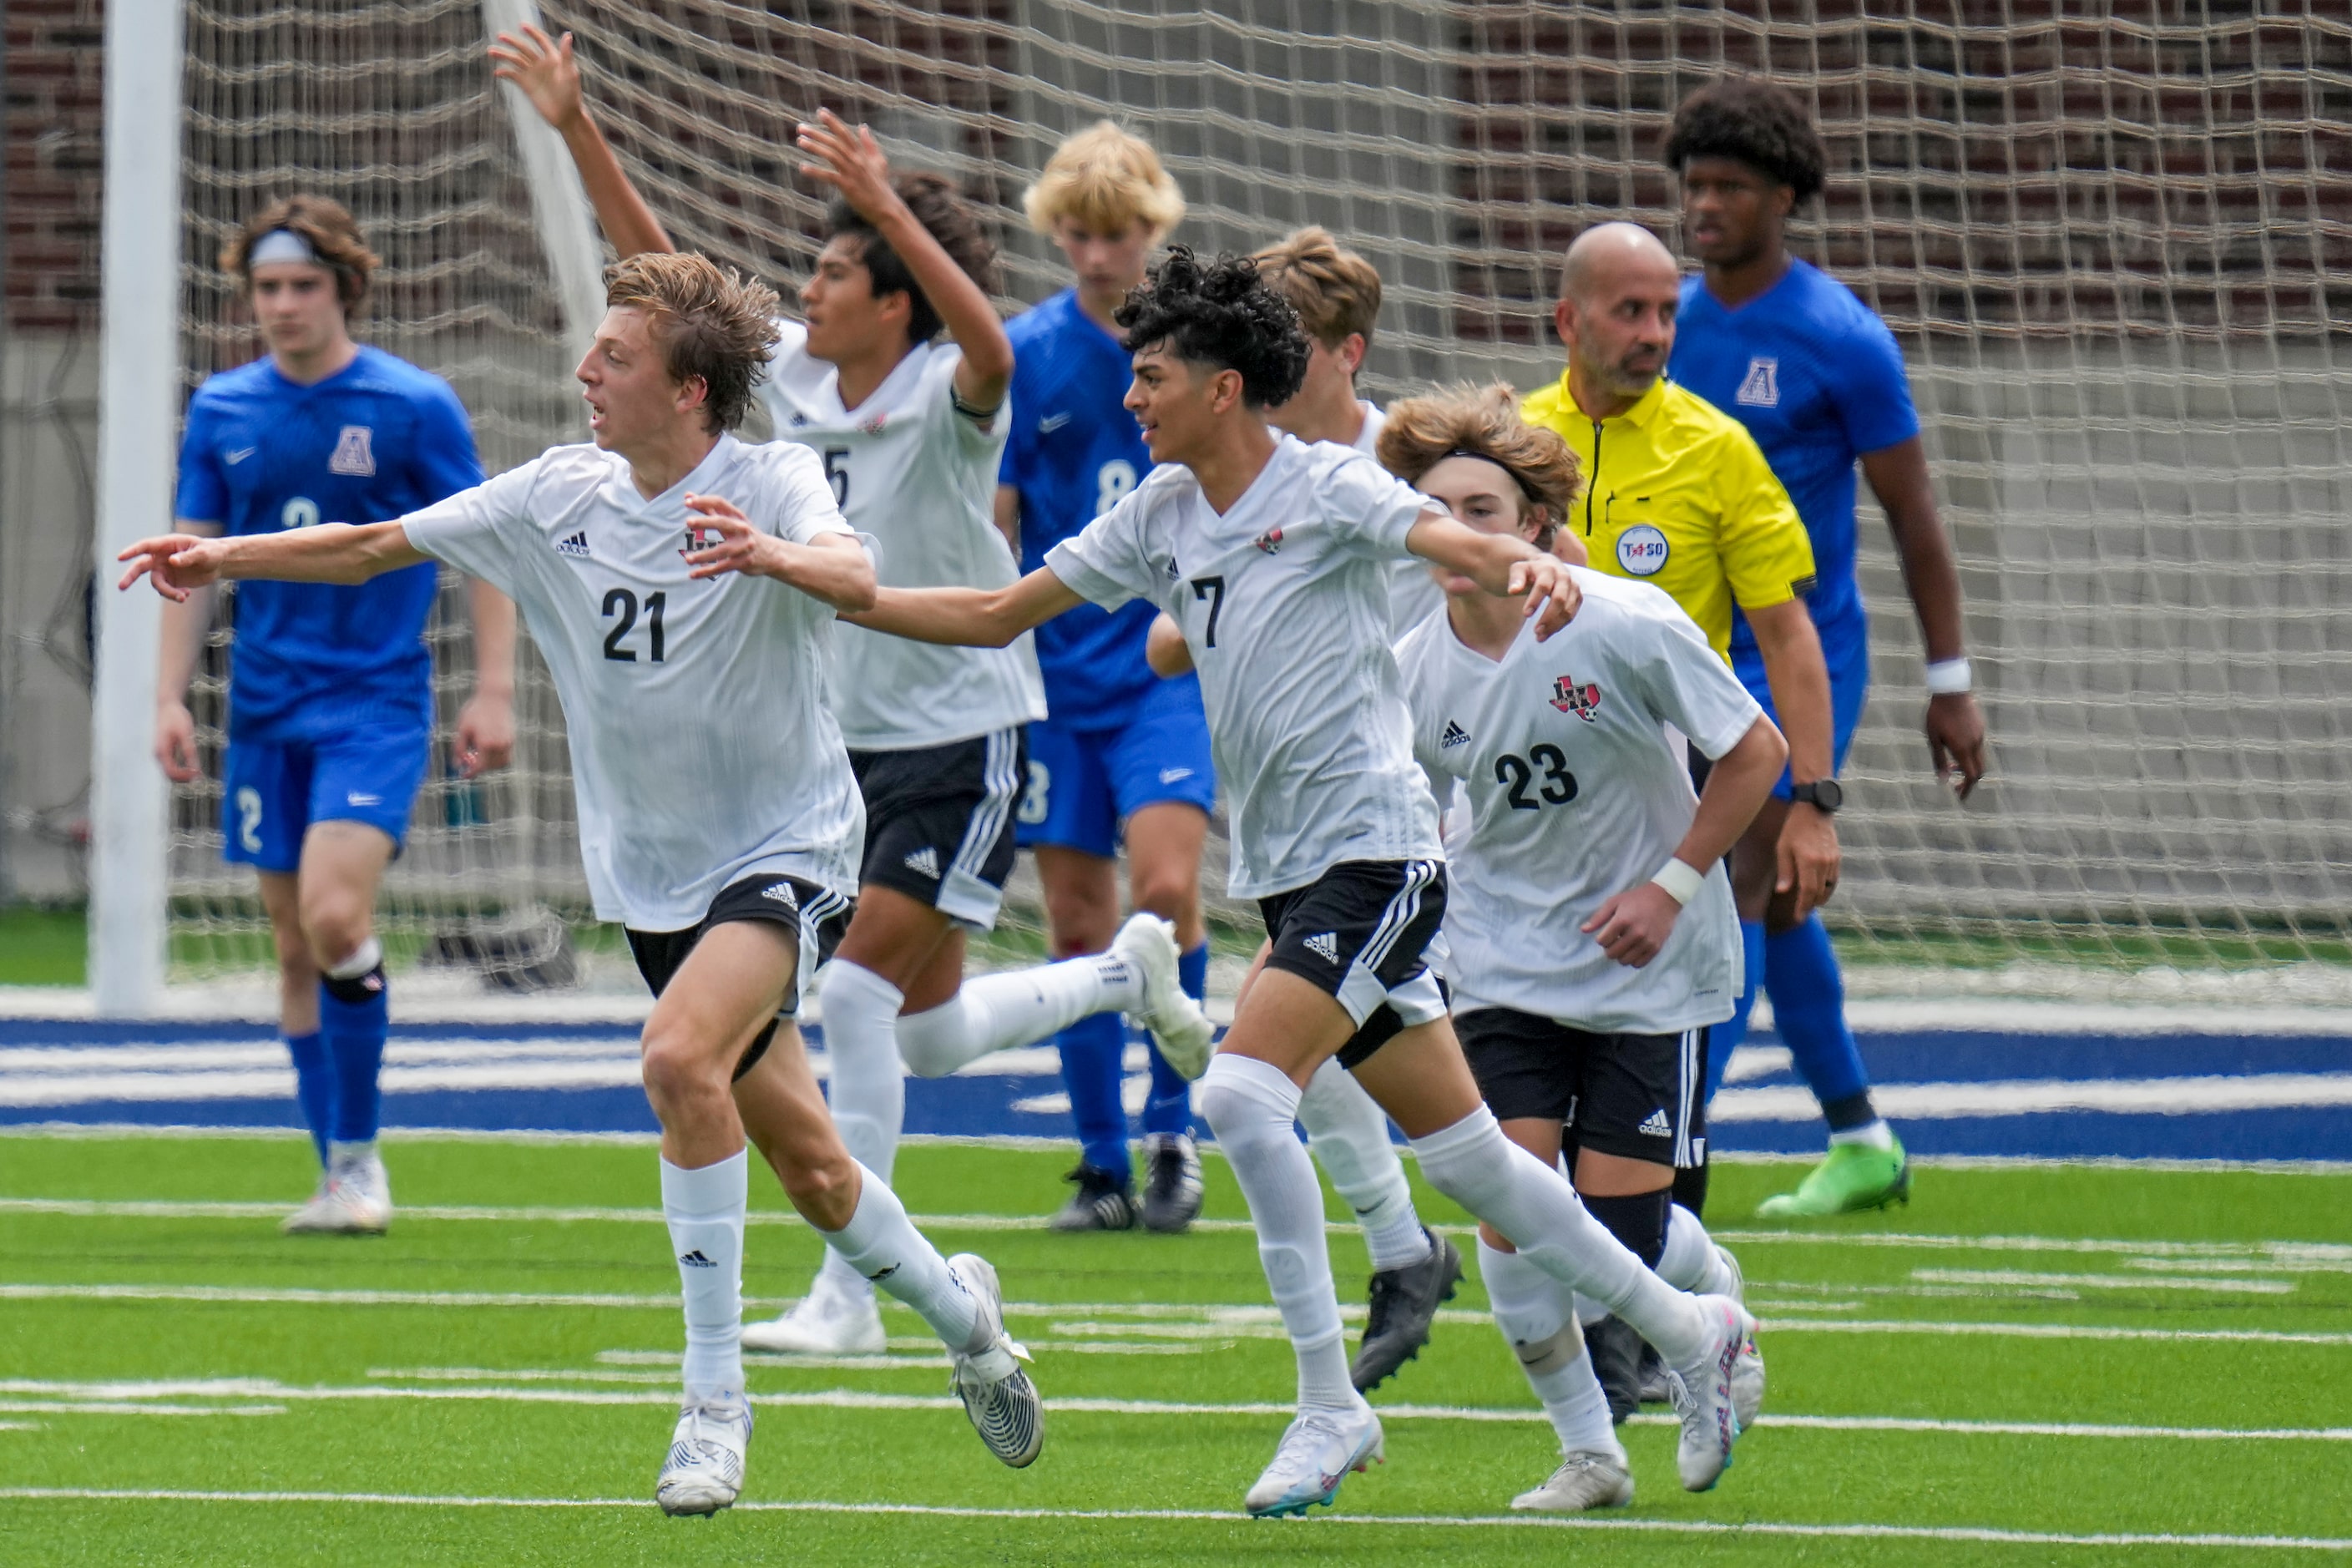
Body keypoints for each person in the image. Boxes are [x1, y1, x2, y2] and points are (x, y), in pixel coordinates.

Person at [122, 250, 1046, 1515]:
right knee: (817, 1172)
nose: (584, 371)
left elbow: (855, 578)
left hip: (788, 848)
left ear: (692, 388)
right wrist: (218, 556)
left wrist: (773, 558)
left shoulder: (769, 476)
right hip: (652, 878)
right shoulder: (560, 489)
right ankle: (970, 1324)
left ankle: (712, 1405)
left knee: (675, 1060)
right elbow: (374, 545)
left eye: (613, 356)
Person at [847, 248, 1758, 1517]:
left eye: (1150, 376)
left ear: (1224, 387)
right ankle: (1690, 1326)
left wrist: (1529, 564)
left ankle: (1330, 1405)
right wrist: (822, 588)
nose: (1132, 400)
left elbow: (1436, 529)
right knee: (1480, 1165)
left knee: (1236, 1091)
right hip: (1287, 875)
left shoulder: (1328, 482)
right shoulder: (1164, 509)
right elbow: (1002, 611)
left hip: (1376, 857)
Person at [489, 28, 1214, 1353]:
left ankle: (852, 1301)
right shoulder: (796, 384)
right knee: (925, 1036)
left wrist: (888, 200)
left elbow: (992, 343)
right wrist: (577, 126)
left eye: (833, 269)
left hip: (960, 724)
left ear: (893, 299)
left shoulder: (953, 386)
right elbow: (678, 285)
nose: (806, 288)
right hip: (836, 749)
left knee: (860, 1003)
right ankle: (1124, 974)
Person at [1382, 384, 1777, 1511]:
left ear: (1535, 523)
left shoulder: (1623, 621)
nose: (1460, 529)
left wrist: (1669, 884)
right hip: (1501, 959)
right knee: (1510, 1213)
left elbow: (1754, 751)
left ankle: (1715, 1307)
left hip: (1645, 962)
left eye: (1483, 506)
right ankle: (1589, 1452)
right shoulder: (1412, 665)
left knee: (1618, 1244)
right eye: (1436, 509)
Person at [156, 195, 516, 1235]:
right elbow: (192, 565)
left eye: (301, 285)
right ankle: (337, 1171)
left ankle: (361, 1166)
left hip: (374, 704)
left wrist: (492, 690)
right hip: (263, 710)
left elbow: (483, 546)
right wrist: (169, 698)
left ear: (344, 289)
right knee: (291, 948)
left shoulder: (412, 405)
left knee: (334, 916)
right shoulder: (223, 408)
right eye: (265, 288)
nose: (281, 305)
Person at [1518, 220, 1831, 1409]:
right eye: (1628, 311)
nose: (1652, 334)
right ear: (1569, 319)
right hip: (1529, 823)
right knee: (1527, 1091)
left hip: (1679, 817)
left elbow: (1787, 636)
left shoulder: (1718, 449)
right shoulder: (1512, 442)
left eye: (1666, 314)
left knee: (1666, 1082)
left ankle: (1649, 1323)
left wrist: (1812, 801)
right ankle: (1654, 1302)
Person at [1663, 78, 1988, 1217]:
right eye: (1694, 186)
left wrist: (1948, 683)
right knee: (1778, 898)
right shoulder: (1664, 321)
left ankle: (1667, 1144)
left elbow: (1914, 519)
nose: (1705, 207)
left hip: (1801, 650)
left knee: (1736, 872)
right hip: (1682, 648)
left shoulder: (1842, 339)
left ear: (1784, 198)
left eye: (1730, 188)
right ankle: (1861, 1136)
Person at [995, 122, 1214, 1233]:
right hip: (1053, 677)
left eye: (1118, 232)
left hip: (1162, 664)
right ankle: (1099, 1160)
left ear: (1153, 229)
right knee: (1077, 925)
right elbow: (998, 514)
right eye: (1077, 233)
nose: (1096, 253)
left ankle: (1176, 1125)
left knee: (1168, 894)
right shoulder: (1023, 350)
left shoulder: (1193, 347)